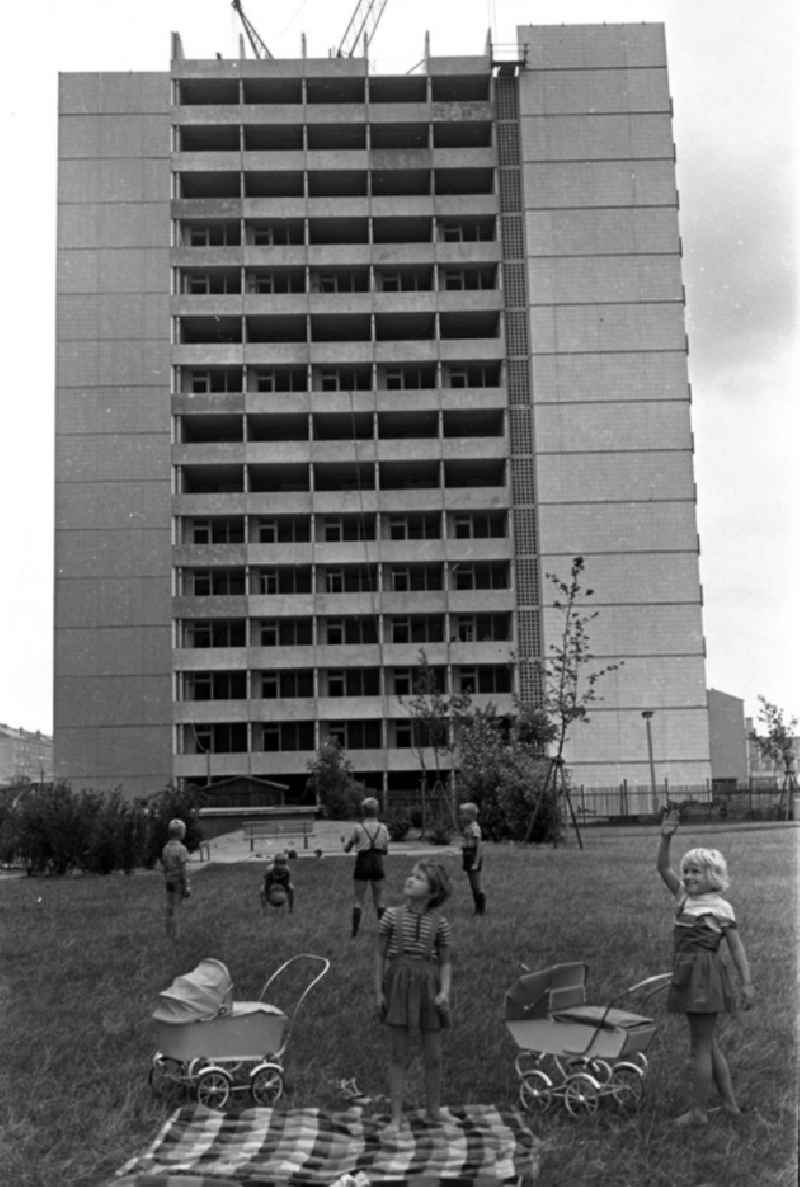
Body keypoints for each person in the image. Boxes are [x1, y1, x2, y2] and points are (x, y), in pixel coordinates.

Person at [657, 806, 755, 1125]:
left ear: (712, 875)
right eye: (686, 871)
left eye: (696, 872)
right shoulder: (683, 897)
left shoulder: (721, 907)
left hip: (703, 976)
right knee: (707, 1041)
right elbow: (662, 868)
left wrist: (747, 983)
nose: (687, 877)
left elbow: (736, 949)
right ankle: (729, 1105)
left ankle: (699, 1112)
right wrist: (665, 839)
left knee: (699, 1045)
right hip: (691, 973)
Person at [376, 860, 452, 1131]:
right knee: (399, 1054)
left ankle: (433, 1110)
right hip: (398, 986)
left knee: (434, 1055)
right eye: (411, 875)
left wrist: (444, 991)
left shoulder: (440, 924)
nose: (410, 879)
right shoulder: (390, 917)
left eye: (419, 878)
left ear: (433, 892)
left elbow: (445, 962)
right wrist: (378, 992)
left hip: (429, 989)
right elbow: (380, 956)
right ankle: (396, 1118)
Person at [343, 797, 389, 937]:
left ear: (363, 811)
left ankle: (355, 932)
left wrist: (345, 842)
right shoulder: (383, 828)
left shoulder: (358, 828)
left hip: (362, 863)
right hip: (377, 863)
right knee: (379, 900)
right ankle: (383, 931)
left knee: (359, 900)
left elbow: (347, 849)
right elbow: (385, 851)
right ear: (377, 810)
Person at [161, 818, 191, 941]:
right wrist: (186, 885)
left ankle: (168, 934)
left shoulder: (166, 848)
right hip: (178, 882)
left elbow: (165, 866)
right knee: (177, 909)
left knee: (169, 907)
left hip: (168, 882)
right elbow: (183, 870)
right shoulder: (182, 849)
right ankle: (176, 936)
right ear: (181, 833)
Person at [458, 801, 486, 915]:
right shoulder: (467, 827)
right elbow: (467, 842)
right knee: (471, 883)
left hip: (474, 857)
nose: (460, 816)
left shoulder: (475, 828)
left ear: (471, 815)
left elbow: (479, 846)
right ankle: (477, 906)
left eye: (462, 813)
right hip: (467, 856)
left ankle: (480, 907)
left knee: (476, 883)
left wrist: (476, 861)